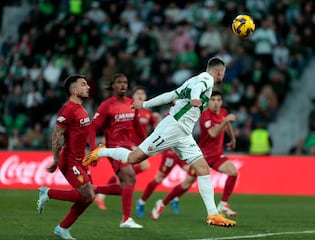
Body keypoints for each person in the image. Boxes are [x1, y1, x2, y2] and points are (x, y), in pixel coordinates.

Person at [83, 57, 236, 227]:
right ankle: (101, 151)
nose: (223, 76)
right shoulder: (206, 79)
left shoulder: (192, 80)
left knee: (203, 169)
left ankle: (213, 214)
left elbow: (170, 95)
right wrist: (194, 98)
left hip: (184, 133)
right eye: (224, 73)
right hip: (172, 128)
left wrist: (145, 104)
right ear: (219, 72)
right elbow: (199, 87)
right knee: (134, 158)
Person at [150, 90, 238, 220]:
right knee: (186, 184)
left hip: (217, 155)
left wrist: (233, 138)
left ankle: (223, 205)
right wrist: (225, 122)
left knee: (233, 172)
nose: (216, 103)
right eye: (213, 100)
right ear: (209, 102)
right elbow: (213, 133)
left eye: (218, 100)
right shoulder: (205, 116)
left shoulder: (223, 112)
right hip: (202, 157)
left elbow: (227, 123)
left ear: (222, 102)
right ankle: (162, 203)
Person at [36, 74, 94, 240]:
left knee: (89, 198)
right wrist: (55, 159)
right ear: (74, 90)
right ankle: (48, 192)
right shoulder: (68, 109)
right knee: (87, 195)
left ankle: (62, 228)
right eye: (84, 84)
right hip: (69, 159)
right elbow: (56, 136)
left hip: (80, 159)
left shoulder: (82, 109)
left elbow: (80, 135)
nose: (88, 87)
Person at [89, 73, 145, 228]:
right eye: (119, 82)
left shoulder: (132, 103)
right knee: (131, 178)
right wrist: (94, 150)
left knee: (124, 187)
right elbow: (93, 128)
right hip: (114, 149)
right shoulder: (107, 105)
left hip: (129, 150)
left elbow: (138, 127)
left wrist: (149, 144)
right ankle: (126, 219)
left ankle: (92, 189)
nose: (123, 85)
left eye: (125, 82)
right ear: (113, 86)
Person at [93, 85, 160, 211]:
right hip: (126, 144)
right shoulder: (128, 108)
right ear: (132, 96)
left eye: (143, 93)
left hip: (139, 145)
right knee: (142, 167)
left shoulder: (147, 113)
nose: (140, 96)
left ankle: (101, 194)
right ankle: (102, 194)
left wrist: (157, 119)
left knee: (129, 172)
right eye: (138, 93)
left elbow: (154, 126)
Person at [136, 148, 192, 217]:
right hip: (171, 153)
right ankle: (141, 202)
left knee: (192, 175)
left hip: (183, 152)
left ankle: (175, 198)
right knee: (159, 178)